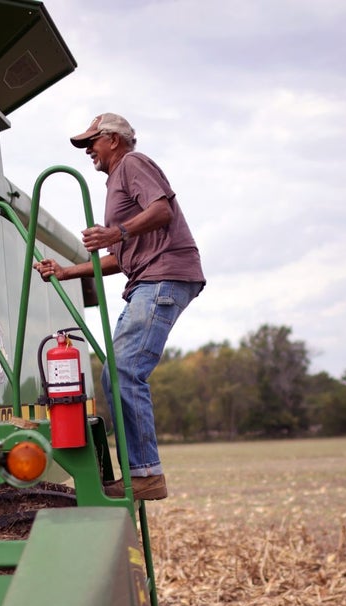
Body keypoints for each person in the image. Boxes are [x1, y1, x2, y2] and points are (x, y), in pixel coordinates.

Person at [34, 113, 205, 501]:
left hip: (163, 277)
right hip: (148, 278)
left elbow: (163, 210)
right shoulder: (117, 182)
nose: (88, 151)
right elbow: (120, 257)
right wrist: (66, 272)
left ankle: (146, 474)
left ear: (113, 139)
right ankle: (142, 471)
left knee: (124, 370)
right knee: (115, 372)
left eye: (92, 142)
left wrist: (118, 231)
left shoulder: (132, 164)